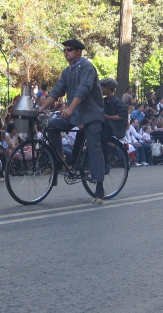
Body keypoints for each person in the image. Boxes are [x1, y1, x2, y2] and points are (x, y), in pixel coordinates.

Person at [38, 39, 106, 203]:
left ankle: (99, 188)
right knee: (52, 127)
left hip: (91, 114)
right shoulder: (67, 71)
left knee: (93, 146)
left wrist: (69, 108)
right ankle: (58, 162)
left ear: (78, 52)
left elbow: (83, 90)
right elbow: (56, 91)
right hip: (75, 114)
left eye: (69, 49)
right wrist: (39, 109)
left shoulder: (87, 67)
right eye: (64, 50)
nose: (66, 52)